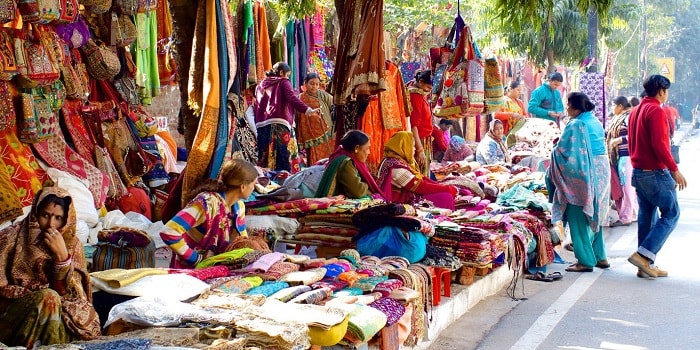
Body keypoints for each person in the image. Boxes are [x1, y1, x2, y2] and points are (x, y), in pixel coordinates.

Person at [0, 187, 101, 347]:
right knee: (49, 299)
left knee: (61, 316)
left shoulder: (72, 244)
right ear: (35, 212)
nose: (51, 224)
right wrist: (30, 294)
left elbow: (71, 294)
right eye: (45, 215)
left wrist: (62, 259)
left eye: (58, 218)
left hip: (55, 310)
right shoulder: (10, 237)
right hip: (12, 315)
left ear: (66, 219)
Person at [627, 74, 687, 278]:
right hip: (655, 171)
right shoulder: (656, 111)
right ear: (661, 91)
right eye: (666, 90)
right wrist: (674, 169)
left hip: (639, 171)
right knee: (671, 213)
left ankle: (643, 264)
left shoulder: (636, 111)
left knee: (647, 216)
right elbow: (660, 145)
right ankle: (644, 257)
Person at [547, 92, 610, 273]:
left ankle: (585, 260)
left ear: (575, 108)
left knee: (577, 214)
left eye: (568, 105)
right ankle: (600, 256)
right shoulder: (595, 121)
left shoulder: (576, 124)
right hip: (601, 171)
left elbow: (563, 150)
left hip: (584, 171)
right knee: (594, 213)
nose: (566, 108)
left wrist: (554, 151)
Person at [160, 159, 258, 268]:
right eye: (253, 184)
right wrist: (195, 258)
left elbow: (242, 240)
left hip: (216, 269)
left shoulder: (239, 208)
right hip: (189, 271)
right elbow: (169, 231)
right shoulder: (206, 204)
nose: (254, 188)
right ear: (243, 186)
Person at [254, 62, 321, 173]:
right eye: (287, 75)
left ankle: (266, 182)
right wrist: (308, 110)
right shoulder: (283, 82)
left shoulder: (260, 85)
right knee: (284, 156)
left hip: (262, 126)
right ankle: (284, 182)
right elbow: (292, 98)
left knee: (264, 156)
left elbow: (256, 105)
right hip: (280, 123)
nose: (288, 77)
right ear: (281, 72)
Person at [377, 131, 457, 210]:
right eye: (412, 146)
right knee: (445, 197)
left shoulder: (396, 161)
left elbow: (421, 179)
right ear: (403, 146)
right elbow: (419, 186)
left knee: (445, 194)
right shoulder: (395, 166)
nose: (414, 149)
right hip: (398, 202)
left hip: (408, 195)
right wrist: (447, 189)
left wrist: (442, 186)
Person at [315, 130, 384, 199]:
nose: (368, 152)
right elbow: (358, 192)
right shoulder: (346, 163)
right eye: (367, 148)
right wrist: (366, 183)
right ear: (356, 148)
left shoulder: (340, 154)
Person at [606, 96, 638, 226]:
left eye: (613, 105)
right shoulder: (619, 118)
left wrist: (619, 140)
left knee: (627, 188)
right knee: (627, 187)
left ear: (620, 106)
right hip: (621, 156)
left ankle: (626, 217)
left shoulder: (628, 117)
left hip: (627, 156)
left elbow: (635, 134)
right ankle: (633, 214)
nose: (612, 109)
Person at [297, 72, 335, 165]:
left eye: (317, 84)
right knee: (314, 162)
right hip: (309, 135)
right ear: (305, 83)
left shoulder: (323, 95)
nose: (314, 86)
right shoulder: (300, 98)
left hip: (325, 132)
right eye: (312, 83)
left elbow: (333, 105)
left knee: (328, 158)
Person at [407, 70, 434, 175]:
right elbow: (414, 125)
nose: (428, 91)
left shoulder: (420, 93)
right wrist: (419, 149)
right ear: (421, 82)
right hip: (419, 140)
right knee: (420, 173)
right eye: (428, 88)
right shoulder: (416, 96)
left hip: (424, 140)